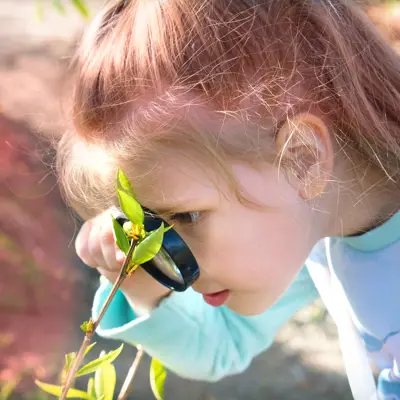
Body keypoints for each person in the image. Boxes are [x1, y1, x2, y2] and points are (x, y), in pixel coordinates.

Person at [57, 1, 400, 399]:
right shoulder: (318, 224)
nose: (165, 252)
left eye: (185, 216)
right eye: (149, 227)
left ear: (302, 159)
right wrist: (142, 290)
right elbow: (220, 346)